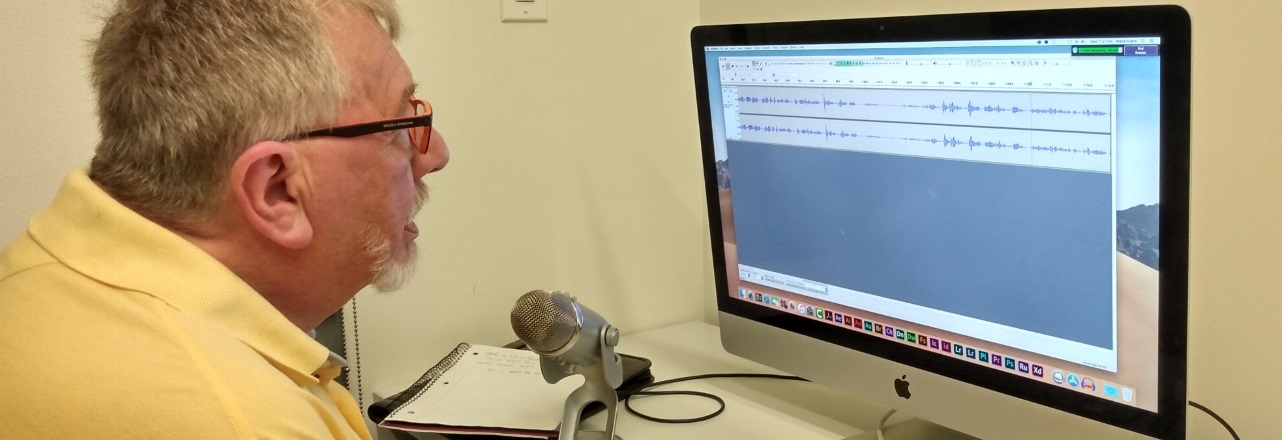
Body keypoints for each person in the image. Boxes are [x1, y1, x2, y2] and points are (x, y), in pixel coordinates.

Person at [0, 0, 449, 438]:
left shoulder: (39, 268)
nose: (436, 155)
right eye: (397, 127)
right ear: (277, 190)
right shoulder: (248, 420)